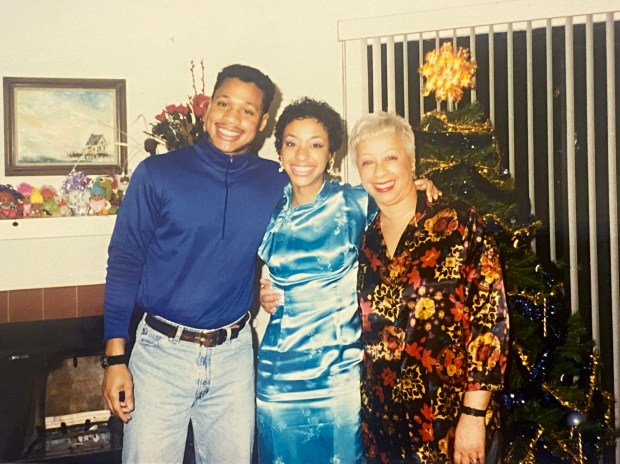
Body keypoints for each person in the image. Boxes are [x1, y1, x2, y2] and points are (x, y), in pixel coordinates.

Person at [101, 64, 288, 463]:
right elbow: (124, 263)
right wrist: (116, 358)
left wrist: (411, 190)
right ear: (206, 108)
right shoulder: (157, 174)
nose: (232, 119)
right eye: (224, 104)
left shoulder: (276, 180)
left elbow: (333, 203)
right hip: (159, 356)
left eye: (247, 110)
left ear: (264, 121)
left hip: (234, 357)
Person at [257, 98, 440, 463]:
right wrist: (260, 290)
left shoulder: (355, 202)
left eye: (316, 144)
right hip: (278, 376)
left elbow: (401, 209)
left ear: (331, 154)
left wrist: (420, 185)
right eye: (292, 142)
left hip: (341, 375)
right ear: (278, 151)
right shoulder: (266, 207)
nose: (302, 155)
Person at [350, 111, 509, 464]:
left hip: (450, 423)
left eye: (391, 158)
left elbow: (490, 324)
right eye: (368, 162)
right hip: (382, 427)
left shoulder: (460, 223)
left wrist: (473, 416)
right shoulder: (362, 240)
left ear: (412, 161)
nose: (380, 172)